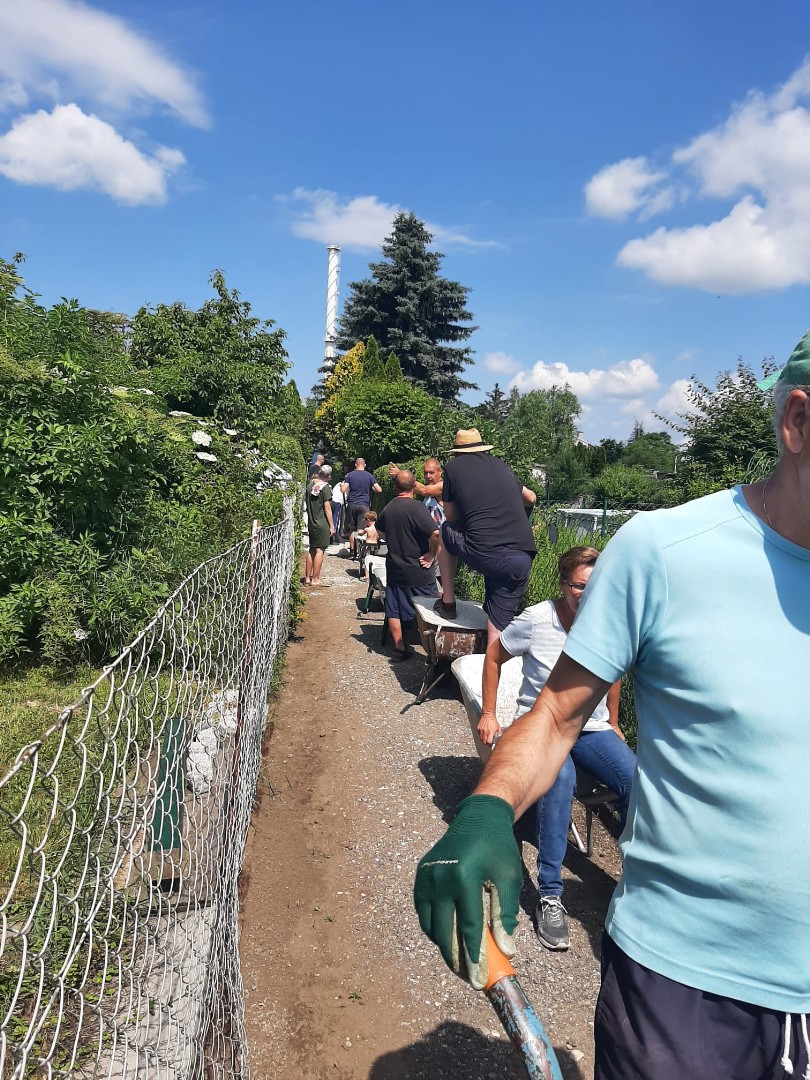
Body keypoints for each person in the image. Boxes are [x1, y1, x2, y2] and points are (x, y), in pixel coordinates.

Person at [414, 332, 810, 1078]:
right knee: (561, 782)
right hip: (689, 988)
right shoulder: (665, 554)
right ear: (798, 421)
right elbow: (555, 713)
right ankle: (552, 886)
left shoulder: (469, 478)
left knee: (620, 776)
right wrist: (486, 806)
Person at [480, 545, 635, 951]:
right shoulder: (537, 620)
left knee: (637, 781)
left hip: (591, 727)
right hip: (543, 725)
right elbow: (493, 656)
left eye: (595, 586)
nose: (588, 594)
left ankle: (640, 883)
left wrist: (613, 721)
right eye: (580, 586)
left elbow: (614, 674)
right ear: (564, 585)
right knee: (559, 780)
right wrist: (489, 713)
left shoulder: (607, 622)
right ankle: (550, 894)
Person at [434, 429, 537, 645]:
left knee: (445, 530)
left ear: (457, 452)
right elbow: (530, 497)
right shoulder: (501, 466)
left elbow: (451, 517)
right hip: (521, 557)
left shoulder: (453, 468)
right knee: (497, 630)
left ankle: (448, 602)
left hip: (485, 552)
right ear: (482, 448)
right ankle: (493, 665)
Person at [376, 470, 440, 662]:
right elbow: (435, 534)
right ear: (414, 486)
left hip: (395, 569)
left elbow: (380, 532)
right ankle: (433, 653)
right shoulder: (417, 508)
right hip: (419, 570)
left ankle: (399, 648)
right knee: (429, 610)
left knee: (393, 608)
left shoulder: (388, 508)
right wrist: (431, 554)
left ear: (395, 487)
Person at [303, 465, 333, 587]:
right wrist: (332, 526)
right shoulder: (325, 488)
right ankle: (315, 579)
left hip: (312, 522)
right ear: (327, 475)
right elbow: (327, 508)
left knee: (312, 549)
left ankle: (307, 578)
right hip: (322, 523)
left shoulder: (309, 486)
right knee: (320, 550)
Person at [342, 458, 382, 541]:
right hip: (364, 504)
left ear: (355, 465)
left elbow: (343, 490)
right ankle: (359, 548)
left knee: (352, 529)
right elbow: (379, 489)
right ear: (365, 465)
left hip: (352, 504)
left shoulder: (350, 475)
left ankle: (352, 548)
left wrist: (341, 486)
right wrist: (372, 489)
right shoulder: (369, 476)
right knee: (361, 529)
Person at [352, 510, 380, 574]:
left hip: (368, 545)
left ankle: (366, 575)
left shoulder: (367, 529)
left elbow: (360, 533)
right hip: (375, 546)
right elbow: (379, 537)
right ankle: (373, 573)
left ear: (368, 520)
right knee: (374, 559)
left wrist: (358, 531)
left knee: (366, 559)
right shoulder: (377, 529)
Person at [329, 471, 344, 543]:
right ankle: (335, 535)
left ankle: (332, 536)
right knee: (336, 518)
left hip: (333, 501)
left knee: (332, 518)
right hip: (338, 502)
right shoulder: (345, 486)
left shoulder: (338, 484)